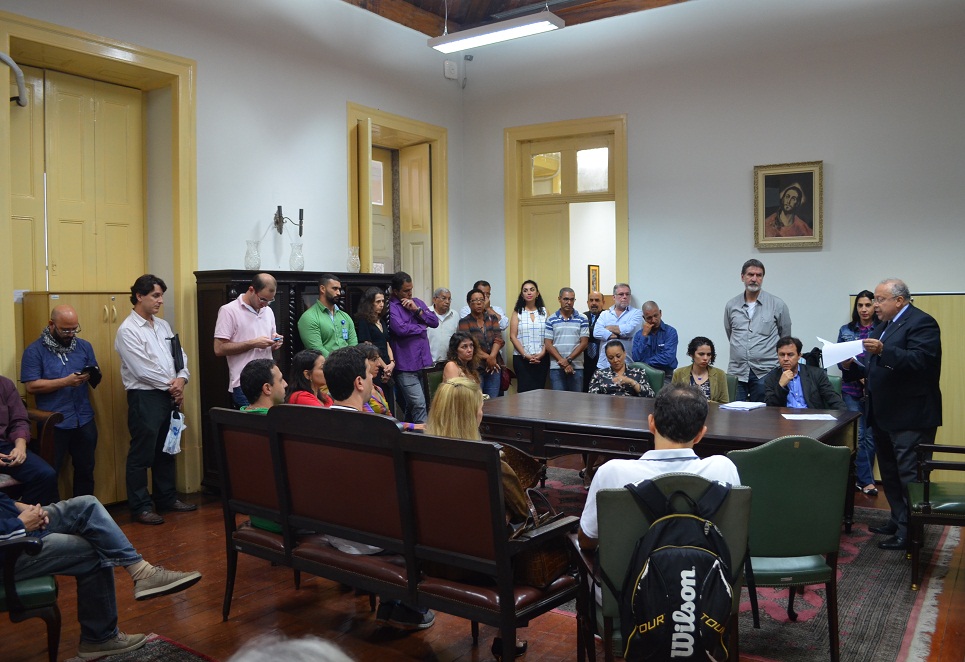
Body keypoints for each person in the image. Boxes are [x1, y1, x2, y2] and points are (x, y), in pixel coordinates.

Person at [1, 490, 201, 658]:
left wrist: (23, 508)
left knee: (87, 504)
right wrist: (20, 525)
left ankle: (142, 571)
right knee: (94, 549)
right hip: (8, 546)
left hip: (10, 522)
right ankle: (99, 638)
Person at [322, 346, 435, 630]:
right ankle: (410, 606)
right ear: (359, 383)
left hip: (334, 532)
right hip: (370, 539)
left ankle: (391, 601)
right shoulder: (376, 431)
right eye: (369, 374)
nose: (374, 379)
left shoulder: (313, 422)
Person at [423, 376, 530, 659]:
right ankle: (506, 635)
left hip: (431, 561)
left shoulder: (416, 455)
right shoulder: (492, 461)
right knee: (528, 535)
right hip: (484, 570)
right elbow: (522, 512)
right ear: (473, 413)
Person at [579, 383, 741, 554]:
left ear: (651, 423)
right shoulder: (724, 468)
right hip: (705, 578)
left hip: (631, 579)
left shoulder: (612, 472)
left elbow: (587, 540)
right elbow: (731, 536)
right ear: (701, 434)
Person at [862, 278, 942, 551]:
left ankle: (911, 534)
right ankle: (897, 520)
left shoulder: (922, 323)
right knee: (890, 472)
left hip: (911, 415)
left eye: (880, 299)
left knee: (910, 474)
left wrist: (884, 351)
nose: (875, 305)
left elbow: (921, 361)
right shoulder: (884, 326)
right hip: (885, 414)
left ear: (899, 300)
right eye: (874, 299)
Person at [114, 274, 196, 526]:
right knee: (142, 454)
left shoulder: (163, 326)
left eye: (162, 296)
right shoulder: (127, 330)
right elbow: (142, 370)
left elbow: (179, 356)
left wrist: (181, 379)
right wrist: (173, 387)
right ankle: (140, 507)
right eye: (155, 296)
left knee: (167, 450)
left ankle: (167, 498)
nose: (160, 301)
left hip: (169, 394)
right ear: (139, 296)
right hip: (146, 397)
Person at [20, 304, 96, 498]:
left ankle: (85, 513)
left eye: (74, 329)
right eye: (65, 329)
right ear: (51, 324)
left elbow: (94, 371)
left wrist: (91, 375)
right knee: (50, 472)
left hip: (84, 418)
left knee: (86, 470)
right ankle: (53, 517)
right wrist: (65, 382)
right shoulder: (34, 351)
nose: (71, 334)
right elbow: (31, 386)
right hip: (54, 422)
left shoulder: (84, 346)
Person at [724, 259, 791, 402]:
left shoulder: (777, 304)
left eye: (759, 275)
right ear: (742, 277)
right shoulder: (731, 305)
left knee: (762, 416)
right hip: (737, 371)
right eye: (750, 275)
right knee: (735, 415)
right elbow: (730, 333)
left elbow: (785, 338)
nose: (754, 279)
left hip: (765, 371)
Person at [213, 273, 283, 408]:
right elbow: (219, 348)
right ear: (251, 290)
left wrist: (274, 343)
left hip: (269, 381)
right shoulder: (229, 311)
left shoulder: (268, 311)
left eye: (270, 300)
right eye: (263, 299)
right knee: (253, 426)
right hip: (244, 383)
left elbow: (267, 345)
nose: (265, 304)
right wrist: (253, 343)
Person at [837, 290, 879, 496]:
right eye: (860, 305)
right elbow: (840, 363)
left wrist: (867, 376)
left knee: (871, 438)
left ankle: (864, 479)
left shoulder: (882, 329)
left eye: (867, 305)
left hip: (873, 392)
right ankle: (866, 481)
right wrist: (846, 364)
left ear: (874, 307)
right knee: (859, 436)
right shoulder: (846, 330)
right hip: (851, 391)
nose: (863, 309)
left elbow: (882, 362)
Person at [387, 271, 438, 424]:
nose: (409, 293)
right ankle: (424, 440)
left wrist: (417, 310)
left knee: (421, 405)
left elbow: (434, 322)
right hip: (406, 365)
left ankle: (406, 436)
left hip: (425, 363)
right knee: (419, 404)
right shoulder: (391, 307)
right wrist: (421, 327)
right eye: (405, 290)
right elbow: (400, 329)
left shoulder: (418, 303)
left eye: (411, 289)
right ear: (395, 291)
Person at [0, 376, 58, 505]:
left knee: (45, 475)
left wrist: (20, 447)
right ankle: (11, 522)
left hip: (4, 446)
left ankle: (27, 521)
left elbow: (19, 419)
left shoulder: (5, 384)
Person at [763, 336, 845, 410]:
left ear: (799, 356)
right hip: (784, 422)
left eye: (790, 355)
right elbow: (770, 407)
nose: (785, 359)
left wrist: (846, 418)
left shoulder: (816, 374)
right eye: (782, 355)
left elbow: (833, 399)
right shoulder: (771, 377)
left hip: (811, 420)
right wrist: (780, 386)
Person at [354, 286, 395, 415]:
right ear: (369, 303)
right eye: (378, 302)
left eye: (383, 301)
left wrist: (392, 363)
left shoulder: (381, 320)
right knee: (377, 403)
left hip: (387, 366)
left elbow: (387, 342)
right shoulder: (364, 321)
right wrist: (384, 367)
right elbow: (369, 347)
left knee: (388, 402)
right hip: (375, 366)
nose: (381, 305)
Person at [458, 288, 505, 399]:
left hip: (494, 367)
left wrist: (492, 357)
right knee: (477, 401)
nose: (479, 303)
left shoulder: (492, 318)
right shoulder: (464, 321)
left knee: (493, 402)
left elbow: (498, 339)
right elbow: (469, 345)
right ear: (469, 303)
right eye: (475, 300)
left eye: (481, 300)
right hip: (475, 367)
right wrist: (489, 358)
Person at [297, 274, 357, 357]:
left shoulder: (345, 317)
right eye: (334, 289)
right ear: (322, 289)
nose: (339, 293)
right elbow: (316, 349)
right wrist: (339, 363)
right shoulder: (309, 317)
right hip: (325, 367)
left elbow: (353, 345)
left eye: (339, 289)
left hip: (349, 366)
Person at [544, 287, 589, 392]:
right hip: (556, 367)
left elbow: (584, 343)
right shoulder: (551, 319)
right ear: (559, 299)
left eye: (572, 299)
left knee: (577, 402)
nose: (569, 302)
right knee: (559, 403)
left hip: (576, 367)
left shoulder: (582, 318)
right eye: (566, 299)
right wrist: (562, 362)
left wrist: (568, 360)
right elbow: (548, 344)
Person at [508, 280, 549, 393]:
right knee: (524, 391)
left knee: (540, 391)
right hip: (521, 358)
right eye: (525, 291)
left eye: (532, 290)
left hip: (542, 357)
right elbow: (513, 336)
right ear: (522, 295)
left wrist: (542, 353)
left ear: (537, 293)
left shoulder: (544, 312)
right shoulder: (517, 312)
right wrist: (525, 355)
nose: (529, 293)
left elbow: (549, 336)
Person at [592, 283, 642, 371]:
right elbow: (596, 332)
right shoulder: (605, 314)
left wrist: (608, 328)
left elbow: (630, 331)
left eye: (627, 294)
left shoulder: (636, 313)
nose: (625, 297)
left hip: (627, 363)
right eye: (621, 294)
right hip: (605, 364)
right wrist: (621, 335)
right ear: (614, 297)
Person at [672, 336, 730, 404]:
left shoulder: (720, 374)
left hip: (712, 412)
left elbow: (724, 403)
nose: (705, 358)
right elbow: (673, 399)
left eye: (708, 354)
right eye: (701, 354)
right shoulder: (679, 373)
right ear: (692, 354)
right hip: (685, 412)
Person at [630, 301, 678, 381]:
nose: (654, 320)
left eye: (656, 315)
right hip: (643, 375)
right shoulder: (639, 335)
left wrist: (645, 363)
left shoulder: (670, 332)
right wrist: (644, 336)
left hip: (665, 375)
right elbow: (636, 358)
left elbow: (668, 358)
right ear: (644, 318)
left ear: (660, 313)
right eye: (649, 318)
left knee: (663, 393)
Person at [589, 340, 655, 398]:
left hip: (632, 409)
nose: (615, 360)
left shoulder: (638, 373)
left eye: (618, 356)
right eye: (611, 358)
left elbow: (650, 396)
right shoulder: (599, 374)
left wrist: (631, 382)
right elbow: (592, 398)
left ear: (624, 354)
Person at [426, 287, 459, 364]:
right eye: (443, 298)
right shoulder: (426, 313)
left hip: (449, 362)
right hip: (429, 362)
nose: (447, 302)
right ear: (434, 299)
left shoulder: (455, 315)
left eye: (449, 299)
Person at [582, 291, 605, 392]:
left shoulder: (607, 316)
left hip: (601, 360)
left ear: (603, 302)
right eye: (591, 300)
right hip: (584, 361)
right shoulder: (582, 317)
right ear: (587, 302)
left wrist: (589, 330)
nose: (594, 303)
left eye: (597, 300)